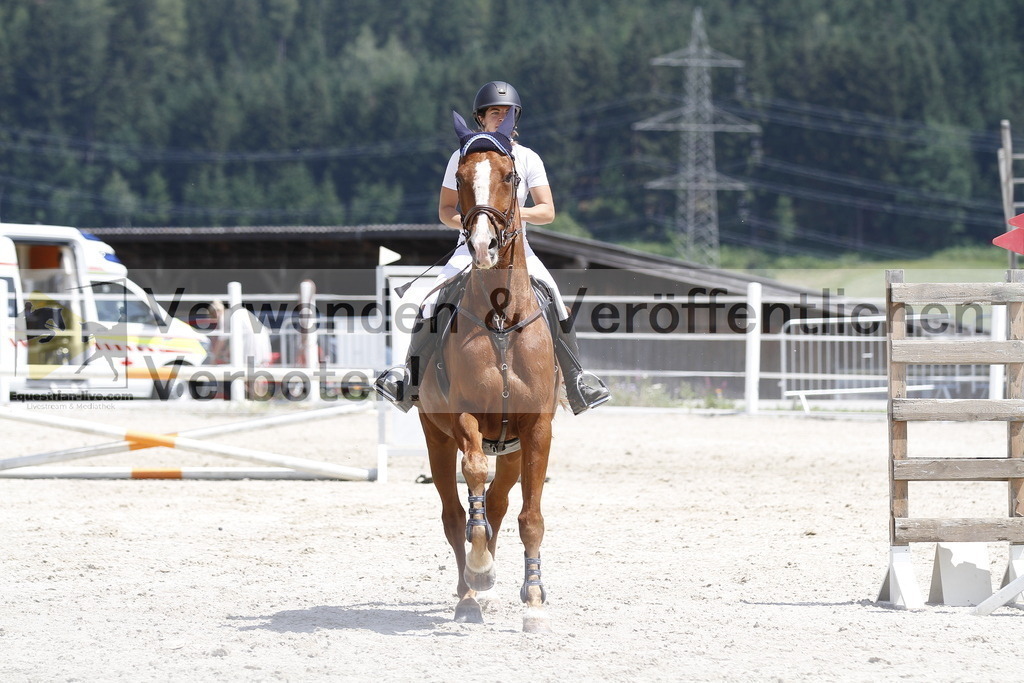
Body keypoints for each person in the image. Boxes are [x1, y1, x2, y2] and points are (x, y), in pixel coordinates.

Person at [375, 80, 610, 415]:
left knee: (555, 299)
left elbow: (547, 210)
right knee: (426, 301)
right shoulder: (461, 156)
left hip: (518, 250)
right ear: (480, 118)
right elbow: (445, 211)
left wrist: (511, 215)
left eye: (507, 112)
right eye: (494, 112)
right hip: (469, 247)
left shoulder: (527, 158)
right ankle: (406, 380)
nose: (501, 117)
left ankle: (577, 382)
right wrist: (473, 224)